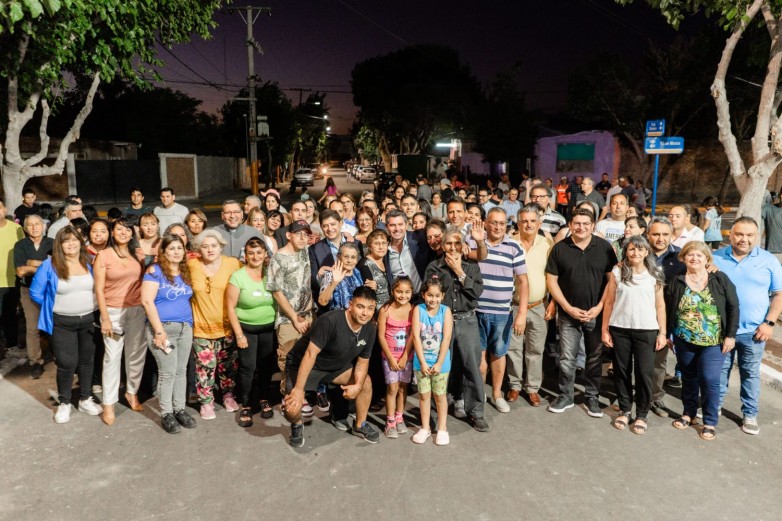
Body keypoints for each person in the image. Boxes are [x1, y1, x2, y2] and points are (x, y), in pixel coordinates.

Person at [282, 287, 380, 447]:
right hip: (304, 366)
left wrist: (357, 385)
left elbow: (363, 361)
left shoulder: (369, 328)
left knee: (365, 383)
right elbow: (310, 355)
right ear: (350, 304)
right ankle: (297, 424)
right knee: (291, 409)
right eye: (360, 306)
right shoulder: (330, 321)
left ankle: (360, 425)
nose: (365, 313)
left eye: (370, 308)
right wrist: (299, 389)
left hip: (336, 367)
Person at [713, 218, 782, 435]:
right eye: (739, 234)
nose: (744, 239)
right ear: (730, 235)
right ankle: (712, 408)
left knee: (750, 373)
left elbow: (779, 295)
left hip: (754, 332)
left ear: (757, 236)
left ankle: (750, 414)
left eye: (749, 235)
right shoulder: (716, 258)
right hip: (721, 330)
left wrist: (769, 323)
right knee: (719, 372)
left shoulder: (768, 260)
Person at [546, 208, 618, 417]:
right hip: (569, 315)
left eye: (586, 224)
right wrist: (566, 307)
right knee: (567, 358)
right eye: (577, 223)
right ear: (570, 225)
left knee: (594, 358)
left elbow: (611, 281)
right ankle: (566, 396)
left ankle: (592, 398)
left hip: (595, 314)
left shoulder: (604, 248)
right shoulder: (560, 248)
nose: (581, 227)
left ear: (593, 225)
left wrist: (599, 307)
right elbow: (552, 281)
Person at [29, 225, 103, 423]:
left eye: (74, 239)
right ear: (59, 245)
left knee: (87, 361)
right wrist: (51, 306)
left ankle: (85, 398)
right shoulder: (50, 265)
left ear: (80, 241)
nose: (71, 244)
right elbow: (35, 292)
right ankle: (64, 402)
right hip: (62, 322)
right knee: (66, 363)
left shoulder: (89, 262)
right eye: (66, 240)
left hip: (88, 320)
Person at [666, 241, 738, 441]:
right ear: (683, 258)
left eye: (699, 255)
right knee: (688, 378)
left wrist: (730, 336)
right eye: (690, 255)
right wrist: (667, 334)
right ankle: (689, 414)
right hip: (684, 339)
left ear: (707, 259)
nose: (694, 258)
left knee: (710, 379)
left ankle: (709, 421)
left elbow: (733, 307)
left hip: (714, 341)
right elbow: (667, 306)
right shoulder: (677, 280)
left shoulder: (719, 278)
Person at [601, 236, 667, 435]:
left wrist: (662, 332)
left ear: (647, 252)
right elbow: (609, 303)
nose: (635, 253)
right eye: (631, 249)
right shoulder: (617, 272)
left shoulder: (654, 275)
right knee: (622, 372)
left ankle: (642, 414)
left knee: (644, 373)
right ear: (626, 252)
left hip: (646, 330)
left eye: (640, 250)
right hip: (620, 328)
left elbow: (660, 305)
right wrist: (605, 329)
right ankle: (625, 409)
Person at [424, 230, 488, 432]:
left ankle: (476, 412)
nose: (453, 247)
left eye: (457, 243)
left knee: (471, 367)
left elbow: (477, 293)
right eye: (448, 243)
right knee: (439, 367)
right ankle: (434, 413)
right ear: (442, 246)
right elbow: (427, 296)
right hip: (441, 323)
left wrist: (460, 272)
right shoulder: (434, 267)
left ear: (463, 245)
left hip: (466, 320)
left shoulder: (471, 266)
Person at [140, 234, 197, 434]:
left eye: (179, 248)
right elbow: (147, 301)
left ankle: (179, 408)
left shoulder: (185, 271)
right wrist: (159, 331)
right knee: (167, 372)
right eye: (171, 248)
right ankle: (166, 413)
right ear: (163, 251)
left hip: (185, 328)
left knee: (181, 371)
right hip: (163, 329)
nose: (176, 252)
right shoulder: (155, 271)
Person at [94, 217, 147, 426]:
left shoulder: (137, 254)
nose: (123, 232)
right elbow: (98, 289)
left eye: (127, 229)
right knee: (112, 357)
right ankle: (108, 403)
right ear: (112, 232)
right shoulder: (103, 256)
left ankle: (132, 392)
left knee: (136, 354)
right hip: (113, 311)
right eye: (119, 229)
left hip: (136, 310)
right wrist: (105, 317)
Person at [476, 207, 529, 413]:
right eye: (493, 222)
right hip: (477, 311)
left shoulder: (514, 248)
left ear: (506, 225)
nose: (497, 226)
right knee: (479, 356)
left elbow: (523, 282)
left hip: (502, 313)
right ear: (486, 223)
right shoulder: (475, 243)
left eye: (501, 223)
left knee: (498, 354)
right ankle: (480, 393)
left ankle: (497, 394)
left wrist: (522, 314)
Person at [187, 229, 242, 420]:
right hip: (201, 326)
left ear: (221, 247)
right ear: (198, 249)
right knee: (204, 368)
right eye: (205, 246)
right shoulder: (191, 265)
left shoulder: (232, 264)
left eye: (214, 245)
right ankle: (206, 402)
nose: (210, 249)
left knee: (228, 367)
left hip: (227, 325)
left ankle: (228, 396)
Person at [226, 237, 277, 427]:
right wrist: (239, 334)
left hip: (268, 329)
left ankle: (264, 398)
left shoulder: (270, 274)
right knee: (248, 368)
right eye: (251, 252)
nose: (255, 256)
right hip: (247, 329)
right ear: (245, 255)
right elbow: (230, 307)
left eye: (259, 252)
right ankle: (246, 404)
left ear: (265, 254)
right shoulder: (238, 276)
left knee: (265, 367)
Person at [506, 205, 553, 406]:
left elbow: (552, 276)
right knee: (514, 348)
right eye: (524, 221)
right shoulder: (509, 243)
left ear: (539, 223)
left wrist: (553, 303)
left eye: (533, 221)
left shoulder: (547, 244)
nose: (528, 224)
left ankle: (532, 388)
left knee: (535, 350)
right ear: (518, 223)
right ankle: (515, 385)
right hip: (514, 305)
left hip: (539, 305)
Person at [268, 220, 315, 405]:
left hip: (308, 315)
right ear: (288, 235)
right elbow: (276, 291)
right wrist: (294, 317)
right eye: (298, 234)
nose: (302, 238)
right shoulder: (278, 258)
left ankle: (301, 395)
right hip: (288, 319)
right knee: (288, 361)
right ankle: (290, 402)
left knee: (306, 359)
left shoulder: (304, 252)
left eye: (305, 234)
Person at [410, 277, 453, 445]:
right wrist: (422, 362)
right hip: (421, 363)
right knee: (424, 395)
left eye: (437, 295)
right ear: (423, 295)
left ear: (442, 296)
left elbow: (446, 338)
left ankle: (442, 428)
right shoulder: (418, 310)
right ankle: (426, 427)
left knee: (440, 396)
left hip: (440, 364)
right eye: (429, 295)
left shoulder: (445, 311)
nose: (433, 299)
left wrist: (440, 362)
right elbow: (415, 337)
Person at [14, 214, 53, 377]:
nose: (34, 227)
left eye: (37, 224)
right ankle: (36, 362)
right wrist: (46, 265)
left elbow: (59, 265)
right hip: (28, 289)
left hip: (52, 289)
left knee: (56, 324)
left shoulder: (52, 243)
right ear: (25, 228)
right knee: (32, 327)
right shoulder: (20, 245)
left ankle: (60, 356)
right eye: (30, 225)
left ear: (43, 226)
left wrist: (31, 263)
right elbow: (20, 270)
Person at [377, 276, 414, 439]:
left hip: (406, 357)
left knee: (403, 387)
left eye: (407, 292)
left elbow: (413, 336)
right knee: (392, 388)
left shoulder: (413, 310)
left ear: (412, 292)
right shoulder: (385, 310)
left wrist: (405, 356)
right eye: (399, 291)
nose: (403, 295)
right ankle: (390, 420)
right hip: (389, 357)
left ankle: (400, 416)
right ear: (393, 291)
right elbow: (381, 336)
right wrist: (391, 358)